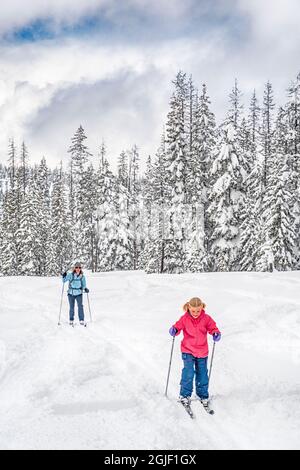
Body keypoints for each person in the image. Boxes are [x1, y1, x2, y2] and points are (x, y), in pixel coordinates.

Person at [169, 297, 221, 408]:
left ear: (202, 307)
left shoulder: (206, 318)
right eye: (193, 311)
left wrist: (215, 333)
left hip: (202, 351)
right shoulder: (185, 318)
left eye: (198, 310)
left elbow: (213, 328)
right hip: (187, 350)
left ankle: (202, 395)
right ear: (189, 308)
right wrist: (174, 330)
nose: (196, 313)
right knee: (188, 373)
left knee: (202, 374)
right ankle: (184, 395)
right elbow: (177, 327)